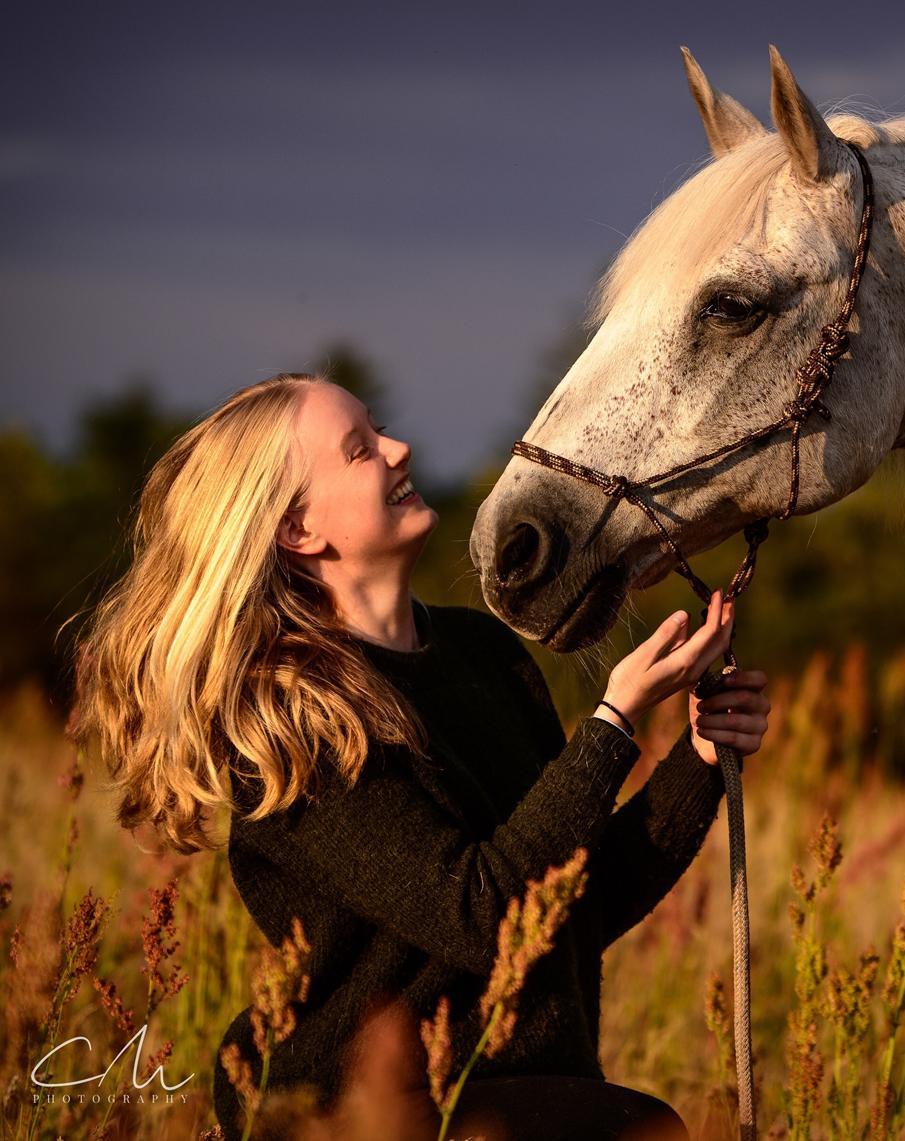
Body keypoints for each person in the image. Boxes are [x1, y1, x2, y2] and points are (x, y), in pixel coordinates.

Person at [67, 373, 772, 1141]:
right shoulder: (295, 723)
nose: (400, 449)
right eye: (360, 450)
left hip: (514, 1093)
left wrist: (698, 761)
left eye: (380, 430)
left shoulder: (485, 656)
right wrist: (614, 720)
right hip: (355, 1113)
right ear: (299, 529)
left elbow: (570, 909)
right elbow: (479, 913)